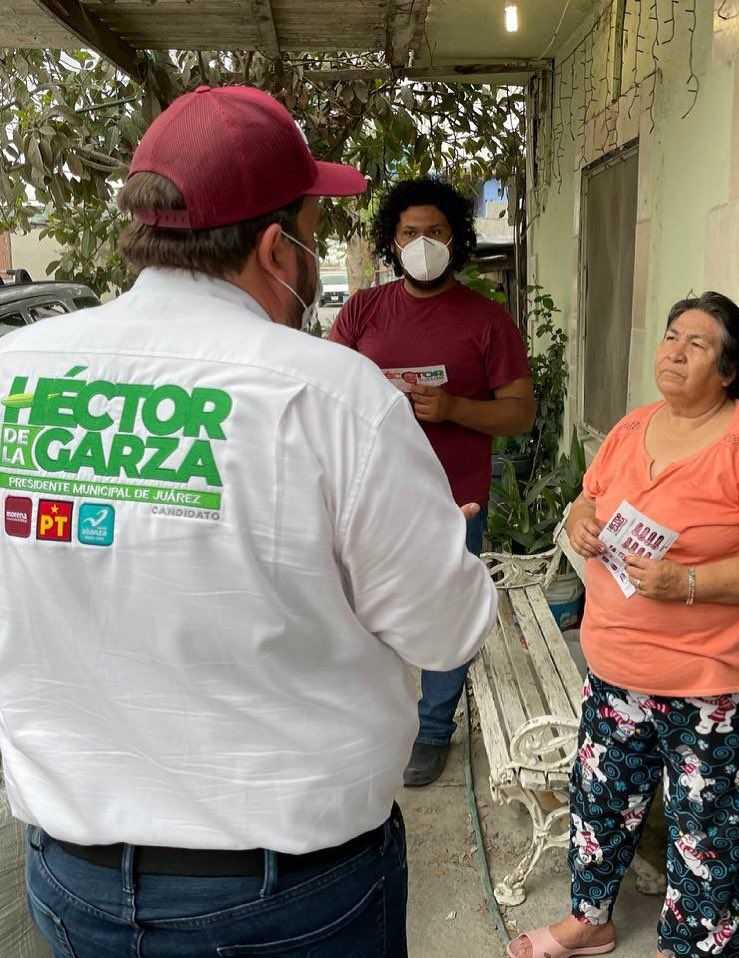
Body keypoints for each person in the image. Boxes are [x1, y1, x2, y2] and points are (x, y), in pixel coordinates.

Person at [0, 85, 498, 958]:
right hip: (291, 897)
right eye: (311, 228)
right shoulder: (333, 397)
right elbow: (446, 630)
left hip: (73, 880)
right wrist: (431, 545)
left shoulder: (14, 371)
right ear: (276, 247)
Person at [510, 292, 739, 958]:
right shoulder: (631, 428)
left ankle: (693, 949)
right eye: (671, 336)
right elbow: (587, 499)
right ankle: (589, 920)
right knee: (600, 805)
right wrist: (581, 524)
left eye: (697, 344)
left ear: (729, 370)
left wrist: (690, 583)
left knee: (710, 831)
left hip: (716, 682)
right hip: (616, 670)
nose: (675, 352)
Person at [329, 178, 536, 786]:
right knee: (362, 609)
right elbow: (325, 390)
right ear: (392, 241)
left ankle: (434, 728)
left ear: (456, 237)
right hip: (370, 496)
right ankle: (374, 719)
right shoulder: (363, 311)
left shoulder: (487, 321)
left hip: (454, 499)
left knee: (445, 611)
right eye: (411, 233)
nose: (423, 243)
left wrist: (453, 409)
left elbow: (520, 414)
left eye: (436, 231)